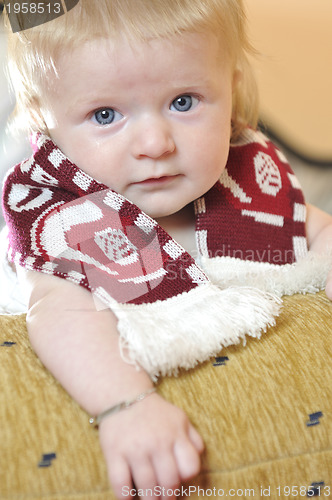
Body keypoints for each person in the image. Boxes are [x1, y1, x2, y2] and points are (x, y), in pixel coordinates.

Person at [2, 1, 332, 498]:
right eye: (105, 114)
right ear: (45, 128)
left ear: (233, 91)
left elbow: (318, 231)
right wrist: (125, 407)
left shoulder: (252, 183)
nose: (155, 143)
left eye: (184, 101)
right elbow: (57, 313)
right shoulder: (63, 227)